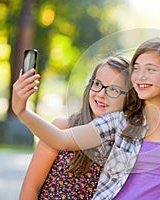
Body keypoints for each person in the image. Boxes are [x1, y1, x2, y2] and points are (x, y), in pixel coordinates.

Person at [12, 37, 160, 199]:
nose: (140, 76)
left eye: (150, 69)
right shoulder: (123, 122)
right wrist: (22, 112)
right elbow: (61, 139)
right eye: (137, 68)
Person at [19, 56, 130, 199]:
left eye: (114, 89)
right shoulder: (62, 128)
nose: (101, 94)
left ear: (129, 98)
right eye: (97, 84)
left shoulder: (126, 144)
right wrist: (21, 110)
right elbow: (31, 187)